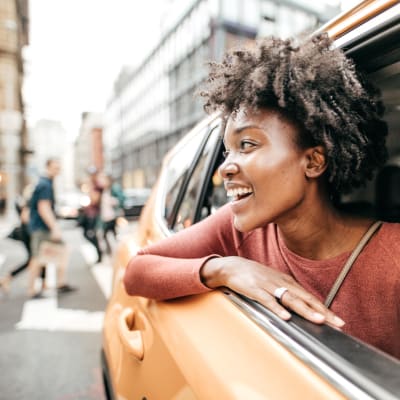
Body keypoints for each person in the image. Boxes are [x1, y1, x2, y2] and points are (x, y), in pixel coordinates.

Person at [123, 34, 400, 359]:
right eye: (227, 152)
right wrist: (226, 269)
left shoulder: (393, 256)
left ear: (313, 161)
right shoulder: (239, 231)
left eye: (248, 145)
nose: (225, 167)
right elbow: (136, 272)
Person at [27, 158, 77, 298]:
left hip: (40, 227)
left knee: (56, 252)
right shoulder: (45, 185)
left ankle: (60, 283)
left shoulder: (45, 183)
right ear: (47, 167)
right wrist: (55, 227)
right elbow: (44, 208)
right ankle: (32, 289)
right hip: (41, 228)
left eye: (59, 168)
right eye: (55, 167)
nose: (57, 170)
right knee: (37, 257)